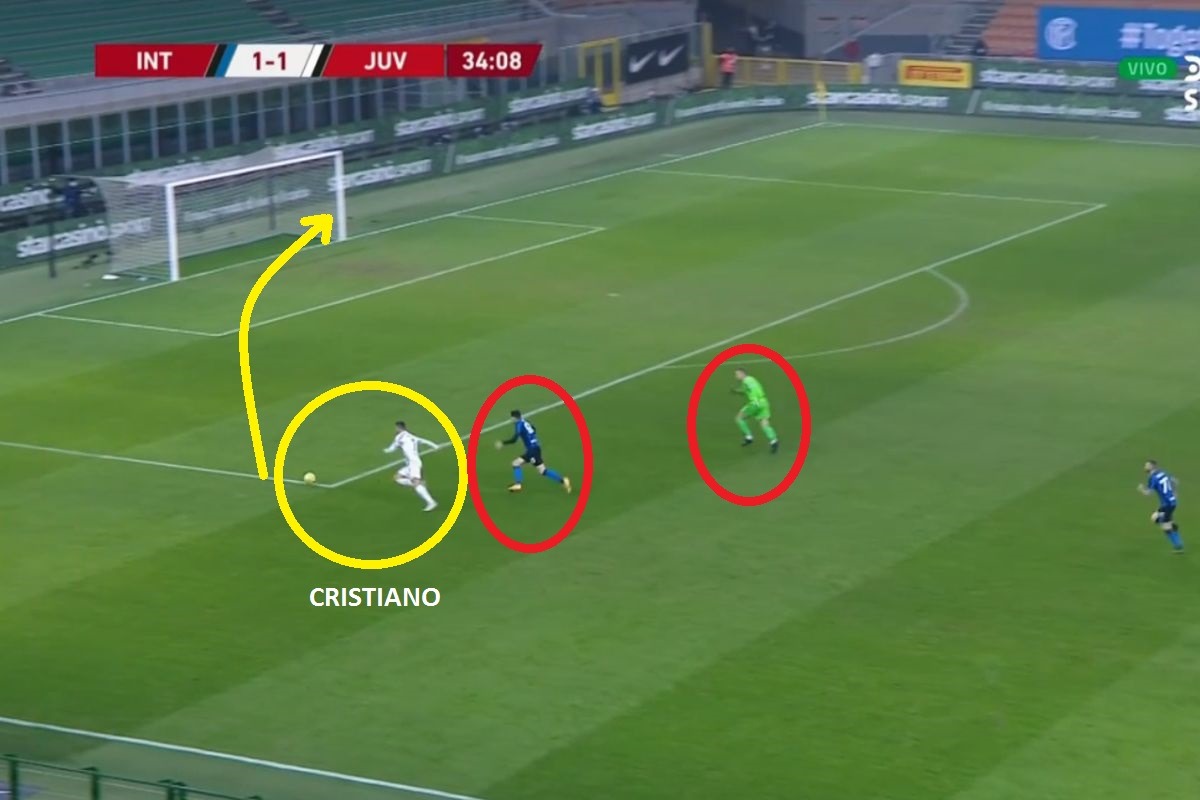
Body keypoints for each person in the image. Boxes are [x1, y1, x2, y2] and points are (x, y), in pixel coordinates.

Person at [496, 410, 572, 494]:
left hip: (532, 450)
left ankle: (518, 484)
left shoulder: (519, 425)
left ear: (514, 418)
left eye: (511, 418)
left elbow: (514, 440)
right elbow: (534, 429)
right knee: (542, 471)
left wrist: (502, 443)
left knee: (516, 463)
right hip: (536, 448)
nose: (511, 420)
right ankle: (563, 481)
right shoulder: (526, 421)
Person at [383, 421, 438, 512]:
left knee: (416, 483)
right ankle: (418, 484)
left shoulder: (400, 437)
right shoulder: (411, 436)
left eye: (396, 428)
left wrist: (386, 450)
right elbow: (423, 441)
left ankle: (431, 502)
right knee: (397, 478)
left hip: (413, 464)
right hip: (411, 464)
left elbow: (392, 448)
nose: (395, 429)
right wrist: (434, 446)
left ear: (399, 428)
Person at [1139, 460, 1182, 553]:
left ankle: (1178, 546)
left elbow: (1148, 493)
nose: (1145, 467)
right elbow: (1175, 481)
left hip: (1168, 504)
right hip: (1171, 502)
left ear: (1152, 466)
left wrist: (1142, 489)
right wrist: (1174, 493)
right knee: (1156, 518)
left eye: (1147, 465)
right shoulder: (1163, 473)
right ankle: (1172, 526)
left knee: (1164, 526)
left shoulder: (1153, 478)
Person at [732, 368, 779, 453]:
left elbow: (746, 389)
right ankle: (774, 441)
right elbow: (745, 390)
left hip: (755, 403)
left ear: (742, 374)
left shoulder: (746, 381)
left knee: (739, 418)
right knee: (764, 423)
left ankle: (748, 437)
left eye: (737, 374)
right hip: (764, 402)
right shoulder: (752, 379)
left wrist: (736, 391)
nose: (736, 376)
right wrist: (736, 391)